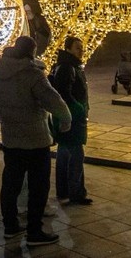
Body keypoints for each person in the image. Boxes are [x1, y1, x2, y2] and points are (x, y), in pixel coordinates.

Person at [0, 35, 71, 247]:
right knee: (38, 187)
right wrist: (66, 119)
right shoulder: (32, 74)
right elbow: (53, 100)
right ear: (31, 52)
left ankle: (10, 226)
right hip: (35, 140)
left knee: (10, 185)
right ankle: (34, 231)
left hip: (11, 139)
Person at [50, 36, 92, 205]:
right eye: (77, 48)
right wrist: (79, 109)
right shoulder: (68, 67)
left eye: (82, 48)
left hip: (68, 116)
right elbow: (64, 93)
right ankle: (76, 193)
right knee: (76, 155)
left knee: (64, 152)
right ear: (68, 49)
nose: (81, 51)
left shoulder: (69, 65)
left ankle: (64, 191)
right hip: (72, 117)